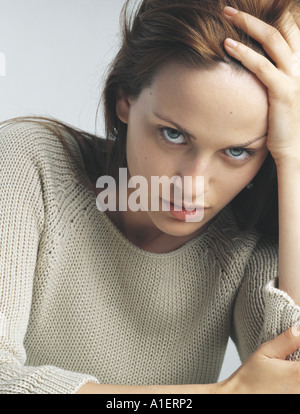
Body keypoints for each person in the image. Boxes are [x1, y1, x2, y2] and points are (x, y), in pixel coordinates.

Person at [1, 0, 300, 394]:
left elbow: (290, 378)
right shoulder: (30, 164)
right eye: (173, 134)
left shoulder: (248, 238)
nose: (192, 185)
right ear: (125, 99)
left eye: (237, 152)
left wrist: (293, 159)